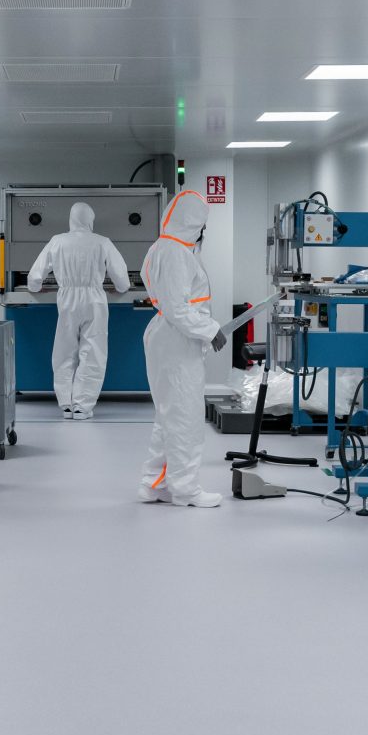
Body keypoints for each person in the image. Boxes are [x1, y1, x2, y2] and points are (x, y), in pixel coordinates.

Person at [138, 190, 226, 507]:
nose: (203, 232)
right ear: (192, 222)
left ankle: (154, 484)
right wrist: (210, 330)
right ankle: (186, 490)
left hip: (169, 336)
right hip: (177, 339)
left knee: (168, 415)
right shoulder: (175, 252)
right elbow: (177, 307)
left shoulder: (164, 248)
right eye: (201, 224)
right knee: (185, 417)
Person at [26, 201, 132, 420]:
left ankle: (65, 403)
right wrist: (118, 288)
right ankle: (82, 406)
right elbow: (122, 280)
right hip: (95, 300)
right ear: (90, 220)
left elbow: (34, 277)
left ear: (71, 219)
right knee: (93, 352)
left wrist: (36, 287)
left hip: (67, 299)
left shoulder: (57, 241)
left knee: (64, 351)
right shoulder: (103, 242)